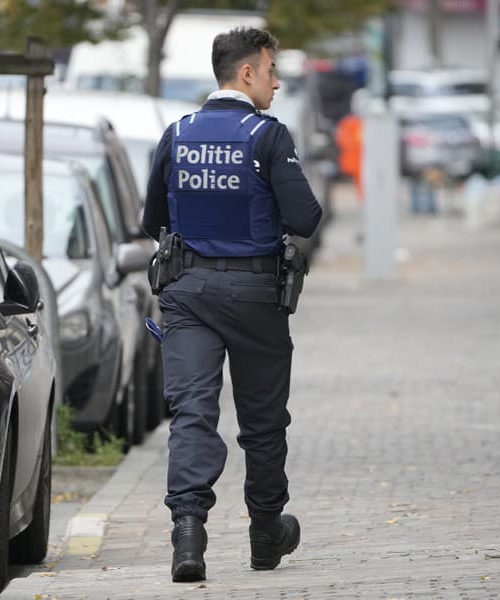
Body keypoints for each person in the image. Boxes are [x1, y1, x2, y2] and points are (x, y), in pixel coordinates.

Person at [142, 27, 322, 582]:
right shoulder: (267, 136)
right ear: (246, 73)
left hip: (188, 295)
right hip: (254, 296)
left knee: (192, 413)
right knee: (262, 421)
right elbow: (305, 218)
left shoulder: (178, 132)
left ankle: (188, 539)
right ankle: (265, 533)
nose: (276, 82)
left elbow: (153, 222)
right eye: (271, 71)